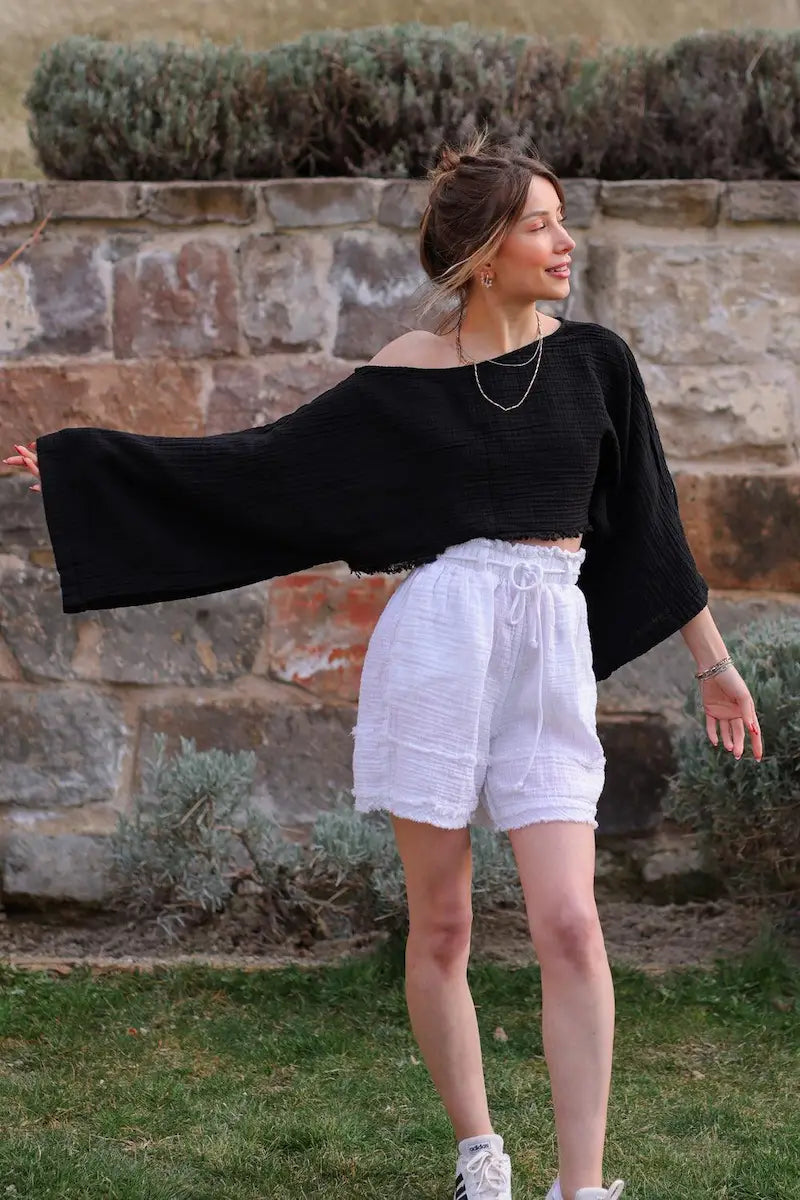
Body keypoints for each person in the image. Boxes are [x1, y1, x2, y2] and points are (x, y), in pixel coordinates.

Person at [4, 127, 763, 1200]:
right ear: (482, 252)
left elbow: (651, 520)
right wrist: (86, 471)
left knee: (569, 920)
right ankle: (479, 1152)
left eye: (558, 219)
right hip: (440, 643)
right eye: (538, 223)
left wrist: (713, 662)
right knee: (443, 919)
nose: (563, 239)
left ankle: (581, 1186)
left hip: (546, 649)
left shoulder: (595, 361)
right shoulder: (400, 381)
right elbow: (258, 471)